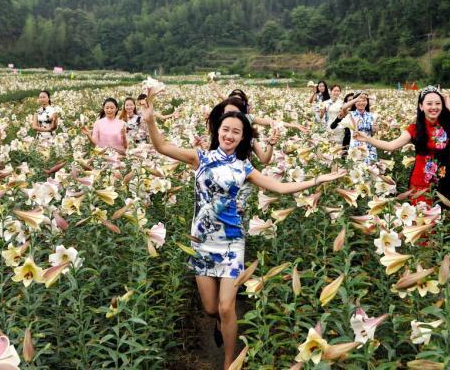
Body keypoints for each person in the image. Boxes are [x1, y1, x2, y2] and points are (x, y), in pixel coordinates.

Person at [140, 96, 345, 369]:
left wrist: (317, 179)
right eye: (226, 129)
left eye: (236, 132)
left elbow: (279, 187)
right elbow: (162, 146)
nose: (230, 135)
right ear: (217, 131)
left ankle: (229, 362)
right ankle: (218, 324)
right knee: (211, 309)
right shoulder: (199, 158)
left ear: (242, 137)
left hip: (231, 242)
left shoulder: (244, 167)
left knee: (227, 307)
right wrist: (152, 122)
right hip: (201, 242)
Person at [353, 87, 450, 205]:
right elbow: (391, 145)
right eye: (429, 103)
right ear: (421, 106)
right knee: (421, 219)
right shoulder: (415, 129)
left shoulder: (447, 126)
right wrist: (367, 138)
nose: (434, 107)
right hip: (420, 182)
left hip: (443, 181)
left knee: (440, 218)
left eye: (438, 103)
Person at [346, 92, 379, 163]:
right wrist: (356, 99)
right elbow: (343, 107)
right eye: (358, 101)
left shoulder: (372, 115)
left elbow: (373, 133)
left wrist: (375, 129)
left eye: (364, 100)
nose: (361, 103)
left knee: (371, 170)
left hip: (370, 146)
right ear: (355, 102)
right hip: (355, 146)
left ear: (367, 102)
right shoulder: (350, 114)